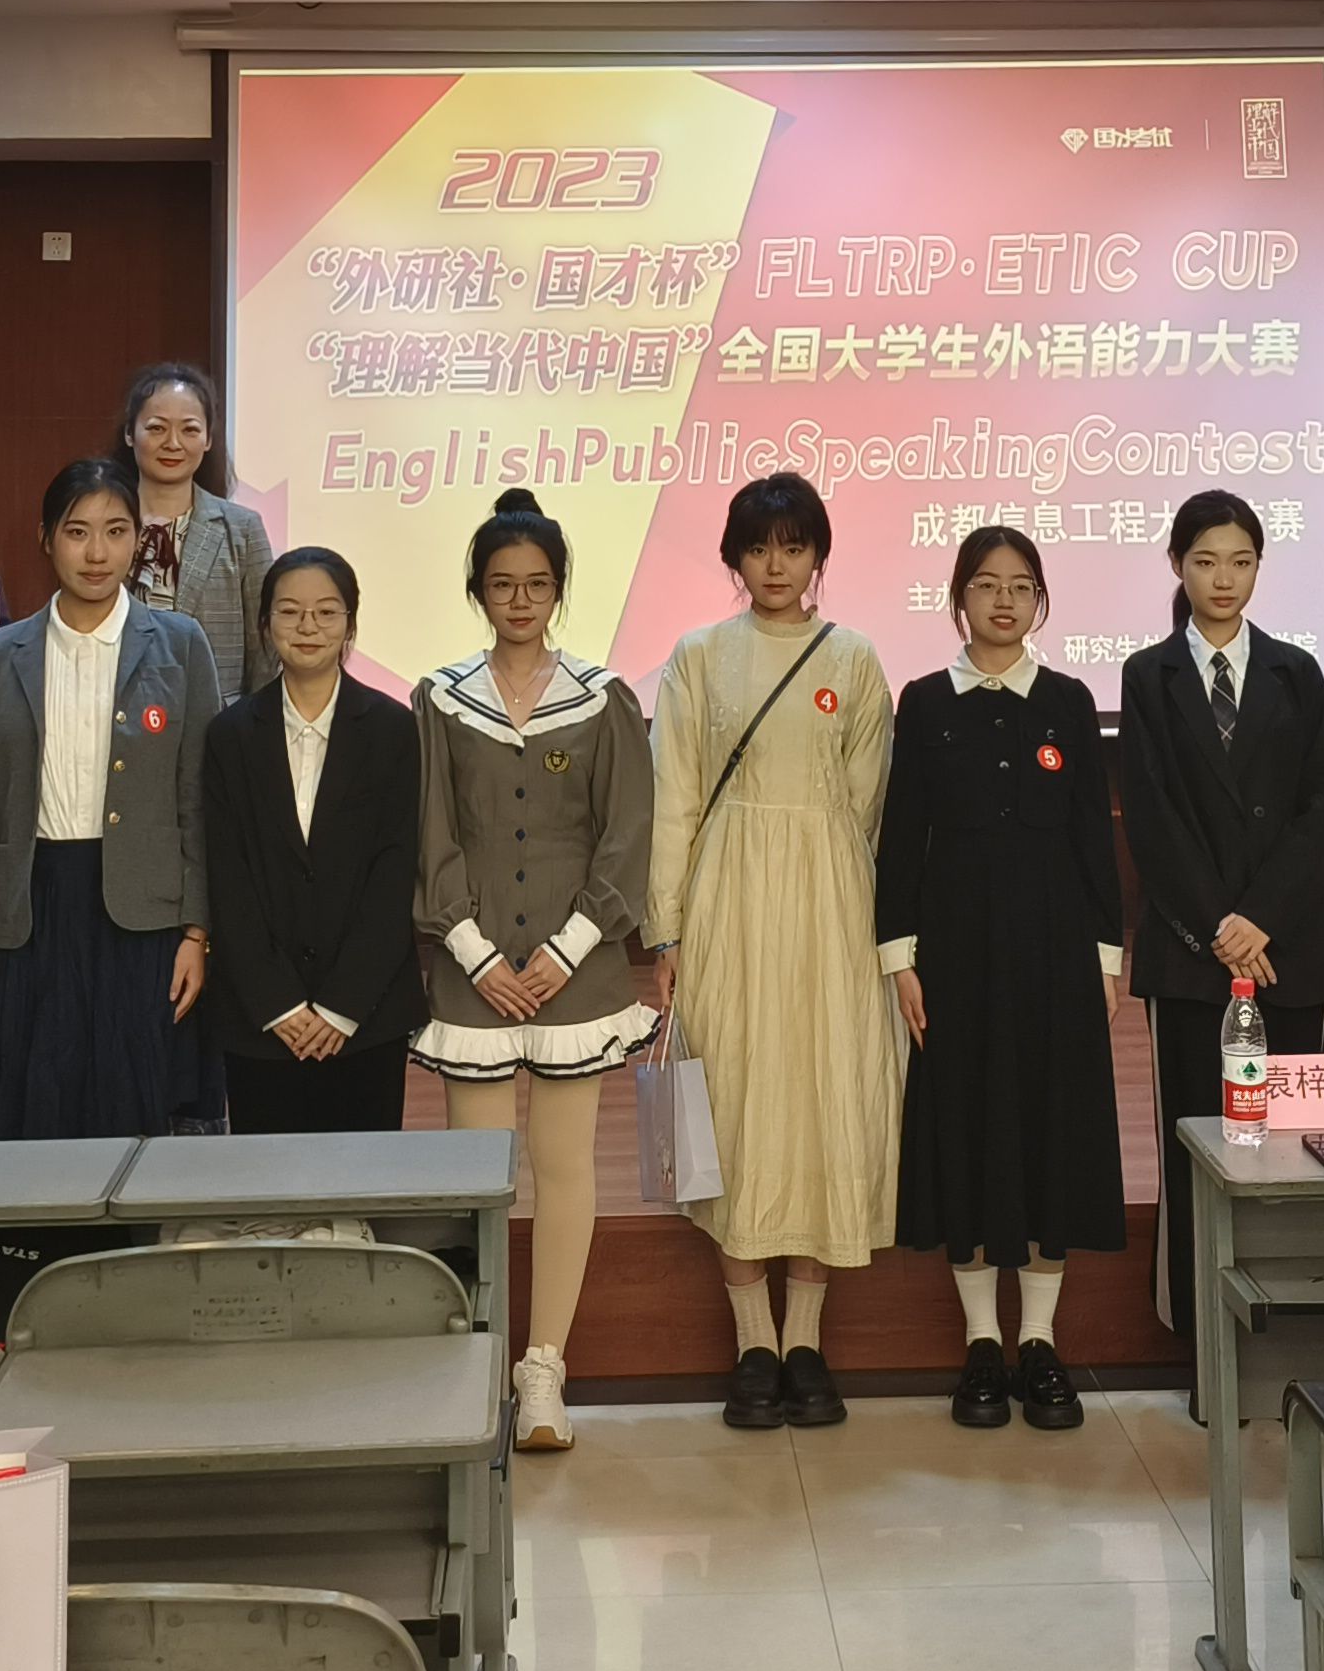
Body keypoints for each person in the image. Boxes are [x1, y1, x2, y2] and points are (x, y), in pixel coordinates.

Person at [648, 471, 901, 1433]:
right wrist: (667, 930)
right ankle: (752, 1342)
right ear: (734, 559)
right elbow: (675, 799)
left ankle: (805, 1342)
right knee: (738, 1104)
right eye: (758, 549)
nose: (776, 566)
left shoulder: (856, 658)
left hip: (832, 903)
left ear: (818, 555)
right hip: (729, 901)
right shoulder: (699, 657)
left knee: (823, 1100)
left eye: (793, 547)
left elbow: (869, 806)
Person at [412, 487, 658, 1457]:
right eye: (502, 583)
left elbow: (625, 838)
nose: (520, 599)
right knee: (477, 1179)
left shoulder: (603, 698)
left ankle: (543, 1369)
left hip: (577, 975)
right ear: (477, 590)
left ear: (559, 590)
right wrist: (475, 952)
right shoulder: (440, 699)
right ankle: (478, 1362)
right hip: (470, 973)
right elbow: (430, 835)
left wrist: (565, 950)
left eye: (537, 584)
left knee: (564, 1168)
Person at [879, 524, 1124, 1435]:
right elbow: (902, 836)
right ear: (959, 599)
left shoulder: (1068, 700)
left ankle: (1040, 1340)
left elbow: (1094, 837)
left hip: (1057, 951)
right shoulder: (924, 702)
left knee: (1051, 1129)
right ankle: (982, 1341)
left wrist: (1107, 956)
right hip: (954, 953)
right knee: (969, 1127)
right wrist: (899, 958)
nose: (1005, 601)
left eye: (1022, 586)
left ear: (1041, 601)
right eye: (987, 585)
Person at [1110, 489, 1324, 1332]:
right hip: (1191, 954)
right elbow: (1152, 816)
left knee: (1291, 1147)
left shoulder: (1297, 671)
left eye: (1241, 562)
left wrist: (1261, 920)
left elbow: (1320, 808)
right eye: (1206, 561)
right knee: (1199, 1148)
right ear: (1178, 564)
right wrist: (1219, 927)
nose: (1224, 579)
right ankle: (1200, 1338)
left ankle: (1291, 1331)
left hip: (1289, 953)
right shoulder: (1148, 676)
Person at [0, 457, 224, 1140]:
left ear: (138, 539)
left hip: (144, 918)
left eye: (115, 531)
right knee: (31, 1118)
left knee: (138, 1118)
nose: (97, 553)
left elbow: (199, 800)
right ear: (46, 538)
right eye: (77, 532)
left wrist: (197, 932)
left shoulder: (181, 645)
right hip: (29, 916)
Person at [197, 546, 422, 1137]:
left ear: (351, 623)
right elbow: (228, 878)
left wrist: (342, 1006)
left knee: (362, 1180)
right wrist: (278, 1004)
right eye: (290, 611)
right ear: (265, 621)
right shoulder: (230, 735)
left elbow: (395, 873)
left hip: (366, 1017)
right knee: (269, 1182)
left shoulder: (394, 729)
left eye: (326, 612)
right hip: (262, 1021)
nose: (308, 627)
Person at [120, 361, 275, 710]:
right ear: (130, 433)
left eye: (190, 430)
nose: (173, 443)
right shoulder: (104, 525)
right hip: (119, 721)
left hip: (216, 724)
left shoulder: (242, 529)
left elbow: (265, 651)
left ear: (208, 439)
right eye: (156, 428)